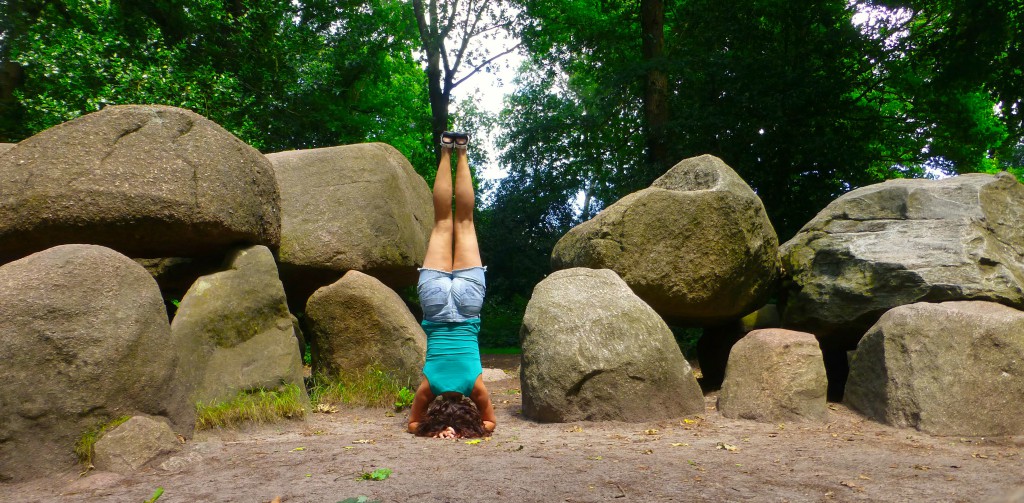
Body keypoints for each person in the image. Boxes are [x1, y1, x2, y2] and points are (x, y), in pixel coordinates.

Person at [407, 131, 497, 438]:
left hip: (468, 305)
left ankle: (461, 150)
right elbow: (413, 425)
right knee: (443, 221)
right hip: (434, 305)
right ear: (439, 407)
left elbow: (490, 424)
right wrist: (437, 429)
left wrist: (458, 429)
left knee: (465, 221)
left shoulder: (476, 386)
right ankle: (446, 150)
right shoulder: (428, 387)